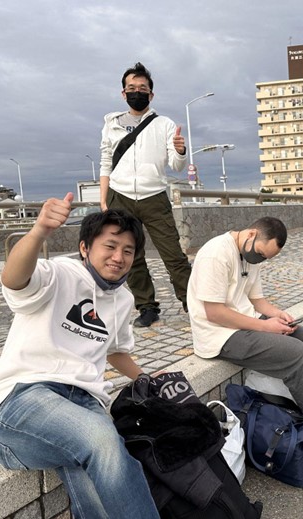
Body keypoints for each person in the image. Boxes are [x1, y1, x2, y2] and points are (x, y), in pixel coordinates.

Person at [0, 195, 159, 519]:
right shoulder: (60, 274)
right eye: (110, 246)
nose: (119, 257)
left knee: (91, 472)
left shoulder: (123, 299)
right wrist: (39, 231)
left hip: (82, 404)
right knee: (101, 441)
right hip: (18, 402)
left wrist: (146, 379)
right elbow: (13, 279)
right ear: (85, 248)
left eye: (127, 251)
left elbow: (116, 350)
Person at [187, 216, 303, 460]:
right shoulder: (216, 254)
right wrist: (266, 327)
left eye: (266, 258)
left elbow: (257, 300)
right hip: (218, 334)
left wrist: (278, 315)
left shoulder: (251, 255)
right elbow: (214, 312)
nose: (261, 260)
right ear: (251, 234)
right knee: (295, 353)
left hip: (244, 324)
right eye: (261, 254)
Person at [99, 61, 191, 327]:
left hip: (154, 196)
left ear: (151, 95)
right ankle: (147, 308)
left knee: (173, 255)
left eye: (142, 88)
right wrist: (104, 199)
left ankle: (191, 303)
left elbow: (176, 165)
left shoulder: (163, 124)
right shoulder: (111, 125)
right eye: (131, 88)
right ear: (123, 93)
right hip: (120, 195)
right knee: (130, 256)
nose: (136, 92)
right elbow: (106, 160)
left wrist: (180, 150)